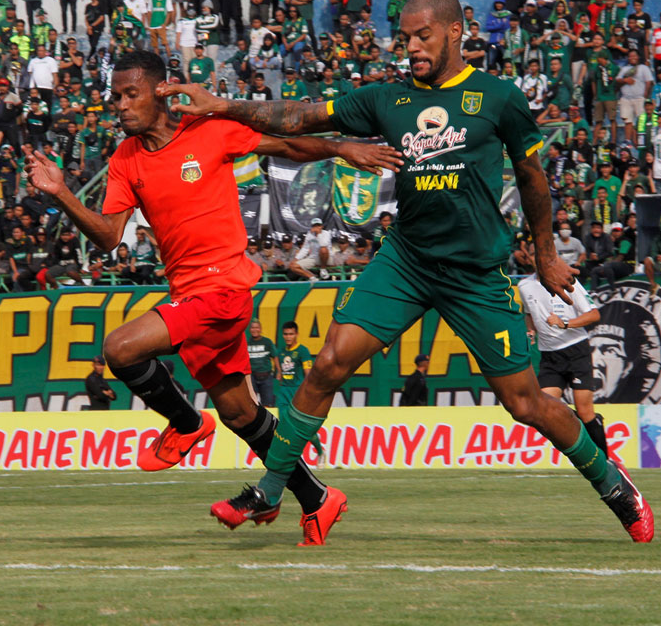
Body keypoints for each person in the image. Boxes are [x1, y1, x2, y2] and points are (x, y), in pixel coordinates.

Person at [168, 0, 653, 546]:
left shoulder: (497, 98)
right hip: (406, 261)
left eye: (423, 36)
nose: (413, 48)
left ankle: (616, 487)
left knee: (526, 403)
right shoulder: (387, 98)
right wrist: (222, 105)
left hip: (476, 272)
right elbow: (301, 116)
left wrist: (545, 253)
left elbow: (533, 178)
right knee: (328, 364)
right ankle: (273, 490)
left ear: (455, 33)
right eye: (405, 38)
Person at [25, 50, 398, 531]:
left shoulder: (209, 131)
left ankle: (184, 424)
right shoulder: (125, 159)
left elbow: (285, 146)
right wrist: (62, 194)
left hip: (222, 291)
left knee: (119, 348)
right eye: (114, 96)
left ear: (161, 92)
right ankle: (318, 498)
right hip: (189, 295)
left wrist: (341, 148)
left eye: (130, 94)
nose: (118, 105)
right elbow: (109, 235)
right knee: (240, 413)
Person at [519, 272, 607, 455]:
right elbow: (529, 312)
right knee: (541, 409)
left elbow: (594, 314)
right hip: (550, 356)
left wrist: (564, 323)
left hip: (576, 351)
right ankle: (584, 429)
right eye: (532, 251)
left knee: (585, 411)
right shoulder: (524, 285)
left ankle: (607, 463)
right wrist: (530, 330)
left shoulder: (565, 279)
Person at [276, 321, 323, 459]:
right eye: (285, 334)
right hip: (284, 392)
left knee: (302, 428)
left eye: (291, 334)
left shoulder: (302, 351)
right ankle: (290, 457)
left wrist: (309, 392)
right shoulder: (281, 352)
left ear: (296, 334)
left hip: (297, 392)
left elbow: (308, 373)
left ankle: (320, 451)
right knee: (284, 427)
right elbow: (280, 372)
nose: (288, 337)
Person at [246, 318, 279, 407]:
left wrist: (279, 371)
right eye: (252, 328)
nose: (255, 330)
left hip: (266, 377)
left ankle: (268, 420)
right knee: (252, 403)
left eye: (257, 328)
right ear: (250, 329)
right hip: (252, 376)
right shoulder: (246, 342)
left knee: (268, 403)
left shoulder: (267, 342)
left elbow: (275, 356)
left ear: (260, 329)